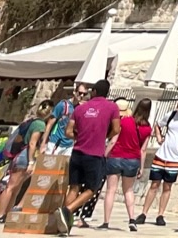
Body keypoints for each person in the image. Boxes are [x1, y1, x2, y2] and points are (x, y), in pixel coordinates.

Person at [63, 79, 121, 233]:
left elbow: (68, 132)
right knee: (91, 188)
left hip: (77, 152)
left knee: (74, 188)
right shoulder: (112, 107)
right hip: (94, 154)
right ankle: (67, 210)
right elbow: (116, 129)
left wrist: (80, 136)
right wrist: (104, 136)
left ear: (94, 91)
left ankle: (64, 224)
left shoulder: (80, 108)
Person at [139, 96, 178, 229]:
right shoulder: (171, 115)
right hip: (161, 155)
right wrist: (159, 137)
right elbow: (158, 125)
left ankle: (160, 214)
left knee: (167, 187)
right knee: (154, 184)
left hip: (175, 158)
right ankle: (144, 213)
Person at [103, 98, 153, 230]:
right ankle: (132, 219)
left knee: (111, 190)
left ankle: (106, 222)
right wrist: (141, 167)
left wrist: (105, 154)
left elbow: (113, 140)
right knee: (128, 190)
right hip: (133, 160)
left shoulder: (124, 121)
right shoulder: (148, 128)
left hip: (116, 157)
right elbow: (143, 150)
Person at [0, 103, 48, 223]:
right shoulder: (40, 124)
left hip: (19, 155)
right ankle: (0, 214)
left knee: (15, 188)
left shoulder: (29, 121)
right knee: (11, 187)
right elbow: (32, 143)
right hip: (24, 157)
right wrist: (31, 162)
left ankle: (5, 214)